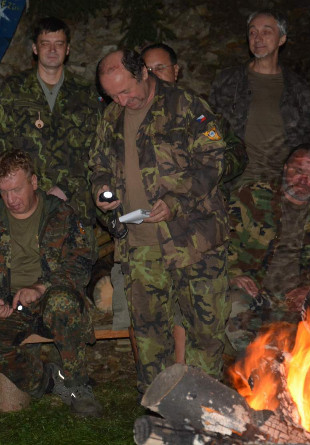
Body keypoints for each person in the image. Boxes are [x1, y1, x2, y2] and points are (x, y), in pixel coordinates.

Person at [90, 49, 230, 393]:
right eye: (112, 95)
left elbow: (214, 162)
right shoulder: (111, 117)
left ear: (144, 73)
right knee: (150, 338)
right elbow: (98, 165)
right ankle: (159, 410)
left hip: (192, 241)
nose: (121, 101)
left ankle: (200, 409)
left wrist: (176, 202)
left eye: (125, 91)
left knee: (204, 332)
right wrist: (101, 190)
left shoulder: (186, 107)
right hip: (139, 248)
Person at [0, 150, 102, 417]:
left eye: (16, 190)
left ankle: (78, 386)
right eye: (4, 192)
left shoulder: (61, 214)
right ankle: (49, 382)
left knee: (62, 303)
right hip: (10, 305)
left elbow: (81, 263)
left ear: (34, 182)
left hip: (50, 297)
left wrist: (41, 287)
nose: (11, 199)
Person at [139, 43, 248, 365]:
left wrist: (200, 178)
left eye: (161, 68)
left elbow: (233, 155)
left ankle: (192, 377)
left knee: (199, 309)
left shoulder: (197, 110)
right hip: (154, 227)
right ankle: (168, 378)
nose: (155, 75)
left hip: (197, 224)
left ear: (176, 71)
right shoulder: (134, 115)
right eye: (148, 70)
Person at [0, 16, 101, 256]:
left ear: (67, 49)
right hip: (26, 208)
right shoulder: (13, 89)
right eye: (45, 43)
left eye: (59, 44)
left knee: (73, 272)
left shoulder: (86, 93)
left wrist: (66, 187)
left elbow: (97, 149)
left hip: (75, 205)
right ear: (34, 48)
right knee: (26, 273)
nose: (52, 50)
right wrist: (23, 191)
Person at [226, 144, 310, 353]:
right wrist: (234, 274)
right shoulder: (252, 197)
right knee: (234, 306)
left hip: (297, 298)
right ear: (286, 168)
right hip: (254, 290)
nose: (304, 181)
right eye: (299, 171)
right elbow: (219, 242)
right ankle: (252, 366)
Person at [209, 10, 310, 189]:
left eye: (266, 32)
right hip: (236, 185)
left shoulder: (296, 87)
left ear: (281, 39)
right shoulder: (228, 81)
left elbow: (308, 137)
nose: (258, 38)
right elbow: (209, 127)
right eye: (253, 32)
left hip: (282, 186)